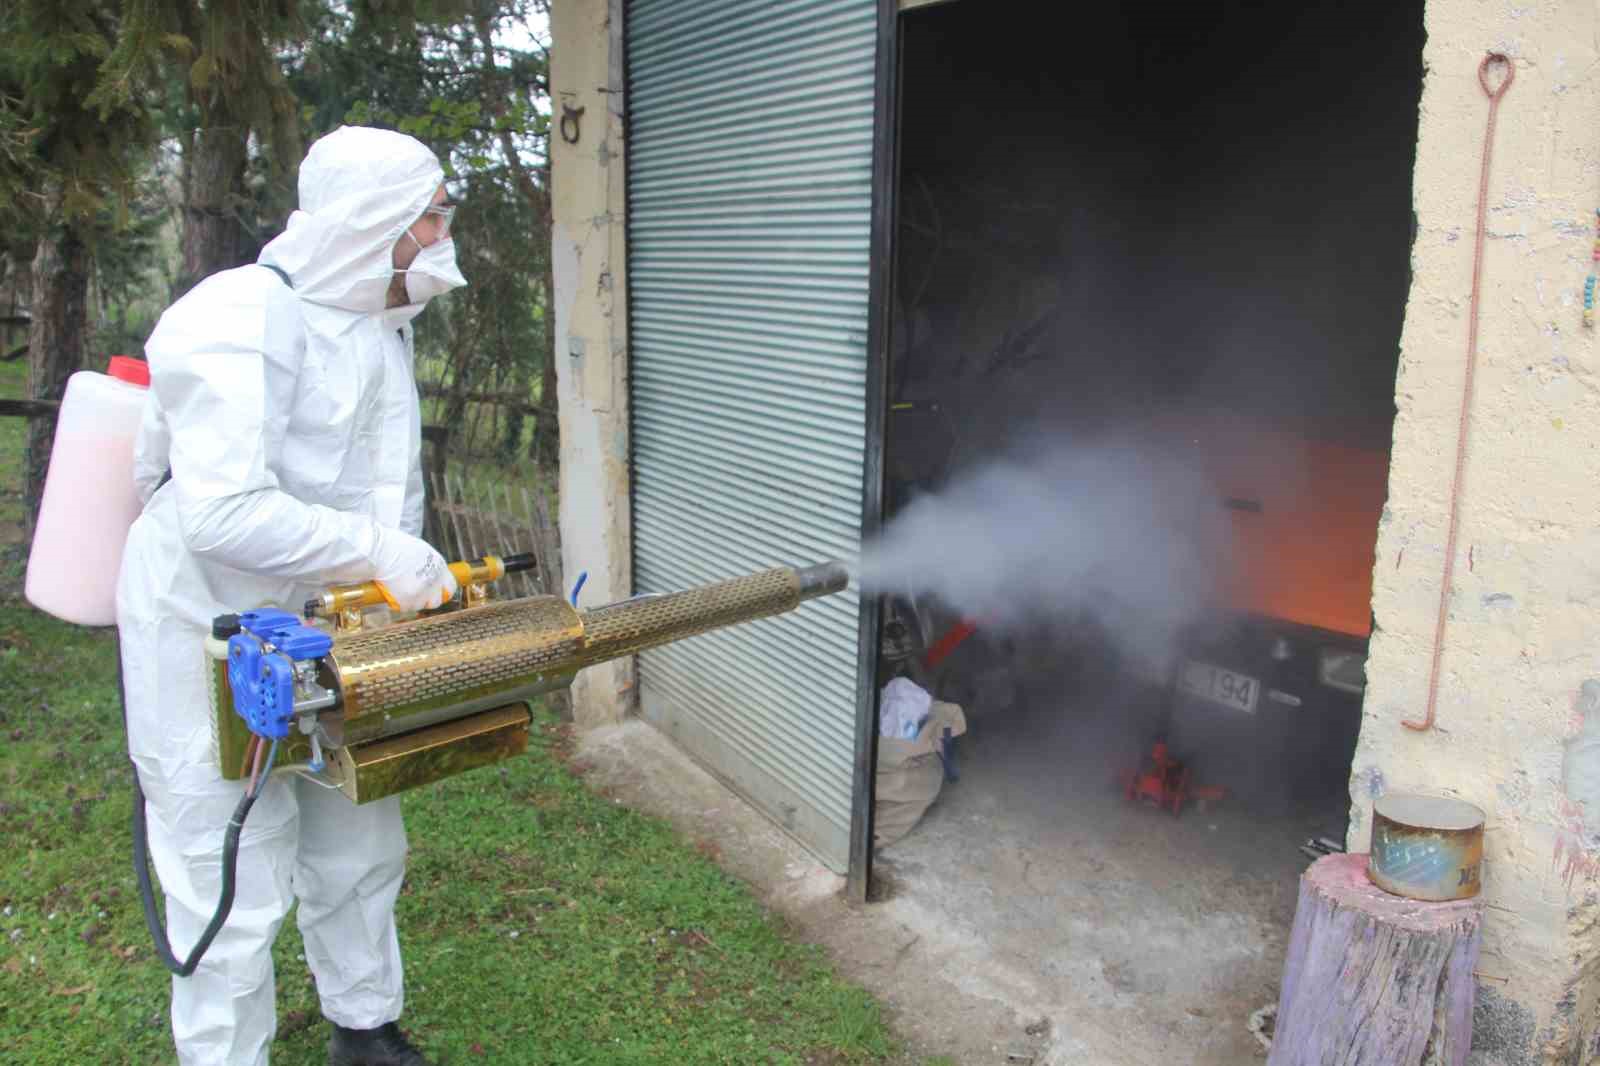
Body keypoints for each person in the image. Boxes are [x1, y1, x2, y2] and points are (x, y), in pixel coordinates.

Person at [116, 125, 467, 1066]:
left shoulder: (381, 330)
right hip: (206, 629)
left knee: (359, 834)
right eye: (431, 217)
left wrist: (389, 592)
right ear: (376, 224)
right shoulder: (238, 314)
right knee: (224, 869)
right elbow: (221, 513)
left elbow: (381, 493)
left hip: (328, 629)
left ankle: (366, 1026)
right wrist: (381, 552)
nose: (442, 237)